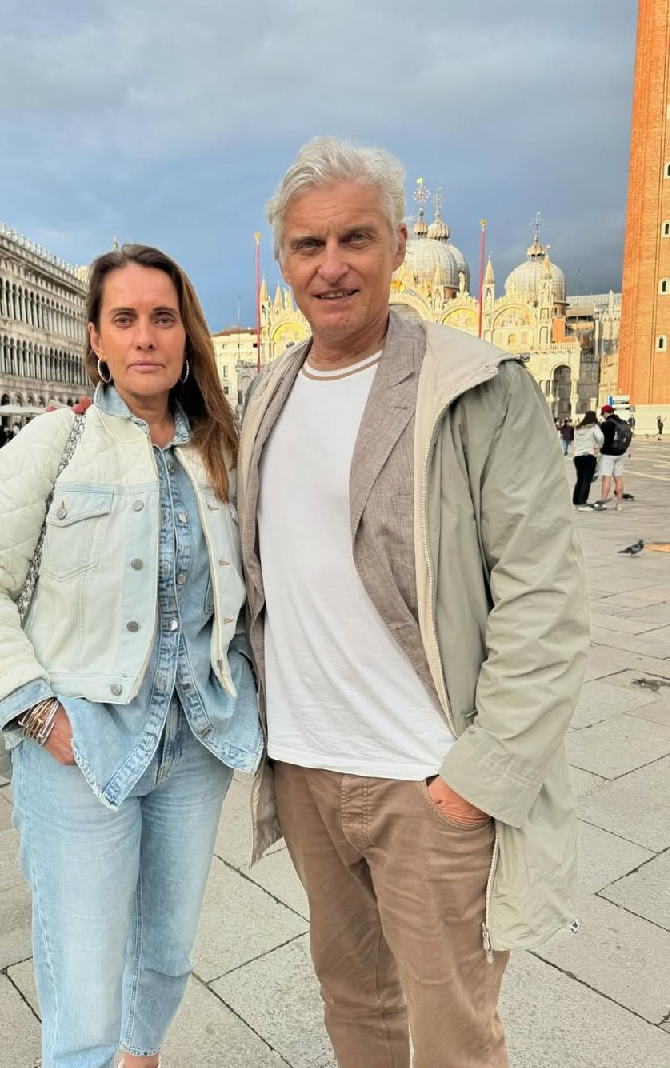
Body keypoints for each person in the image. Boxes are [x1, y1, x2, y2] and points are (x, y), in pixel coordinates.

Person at [237, 137, 589, 1068]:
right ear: (285, 264)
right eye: (309, 245)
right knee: (354, 1004)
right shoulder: (267, 396)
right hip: (307, 768)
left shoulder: (480, 388)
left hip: (428, 778)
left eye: (355, 238)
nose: (332, 265)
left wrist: (479, 778)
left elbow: (545, 603)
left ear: (398, 246)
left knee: (454, 1036)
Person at [0, 243, 261, 1068]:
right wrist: (38, 714)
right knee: (82, 991)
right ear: (97, 339)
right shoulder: (56, 443)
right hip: (81, 747)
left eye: (163, 317)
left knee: (166, 956)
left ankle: (141, 1061)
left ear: (185, 334)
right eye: (126, 318)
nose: (146, 335)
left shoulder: (221, 452)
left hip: (195, 745)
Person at [595, 403, 630, 511]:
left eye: (603, 414)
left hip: (608, 454)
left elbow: (602, 439)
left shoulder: (607, 424)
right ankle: (619, 504)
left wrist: (599, 450)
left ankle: (603, 503)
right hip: (620, 453)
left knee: (606, 478)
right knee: (618, 478)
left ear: (606, 413)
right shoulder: (623, 422)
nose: (603, 416)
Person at [571, 410, 604, 507]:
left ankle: (576, 499)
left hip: (578, 456)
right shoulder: (594, 427)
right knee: (587, 479)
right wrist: (598, 446)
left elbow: (575, 441)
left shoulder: (578, 428)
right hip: (589, 455)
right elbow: (601, 438)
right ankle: (582, 500)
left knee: (580, 479)